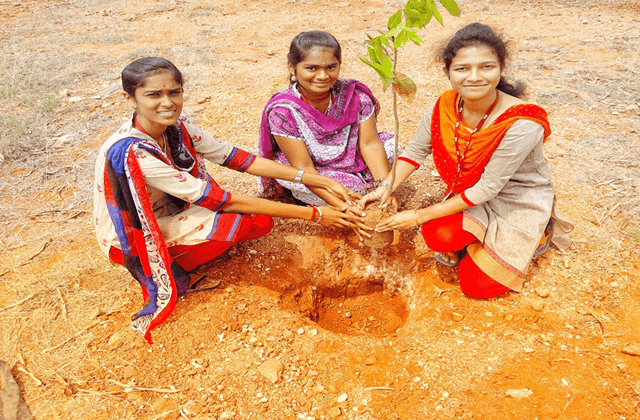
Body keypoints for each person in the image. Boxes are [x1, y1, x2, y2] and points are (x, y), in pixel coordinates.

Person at [93, 57, 363, 342]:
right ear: (130, 98)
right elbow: (223, 201)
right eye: (153, 95)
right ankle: (174, 266)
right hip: (131, 238)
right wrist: (316, 214)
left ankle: (185, 251)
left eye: (174, 92)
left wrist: (316, 178)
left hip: (167, 211)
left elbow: (236, 158)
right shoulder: (133, 151)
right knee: (243, 221)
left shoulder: (175, 128)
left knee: (257, 222)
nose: (167, 102)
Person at [360, 23, 573, 299]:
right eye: (462, 69)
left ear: (500, 67)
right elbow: (414, 153)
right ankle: (473, 238)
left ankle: (540, 229)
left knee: (475, 286)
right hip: (471, 192)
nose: (474, 77)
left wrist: (416, 215)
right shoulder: (444, 108)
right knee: (437, 235)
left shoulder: (521, 123)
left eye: (486, 67)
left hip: (515, 198)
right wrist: (384, 188)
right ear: (447, 71)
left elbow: (488, 188)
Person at [258, 30, 398, 239]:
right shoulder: (283, 111)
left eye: (331, 67)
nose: (323, 76)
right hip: (315, 172)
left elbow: (370, 144)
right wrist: (343, 207)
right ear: (292, 67)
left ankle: (370, 190)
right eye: (311, 68)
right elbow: (304, 168)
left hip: (354, 158)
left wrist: (385, 187)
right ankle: (352, 196)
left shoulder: (355, 95)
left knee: (394, 148)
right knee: (304, 178)